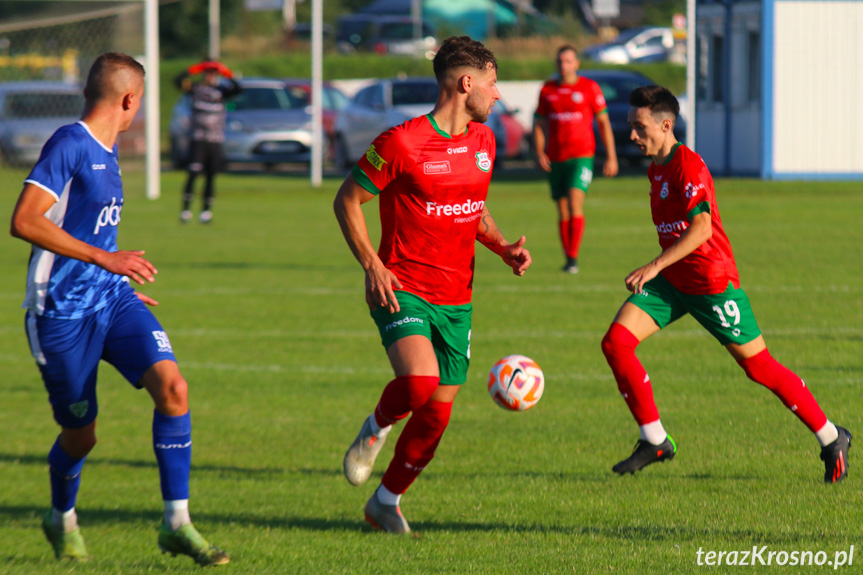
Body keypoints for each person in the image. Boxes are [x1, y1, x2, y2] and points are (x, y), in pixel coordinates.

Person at [9, 52, 229, 565]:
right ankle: (60, 515)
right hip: (60, 312)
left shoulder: (109, 153)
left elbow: (88, 231)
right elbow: (23, 220)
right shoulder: (70, 144)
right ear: (130, 100)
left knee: (173, 388)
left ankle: (177, 523)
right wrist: (105, 258)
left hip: (110, 298)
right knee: (81, 434)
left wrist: (113, 277)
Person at [601, 85, 851, 483]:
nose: (631, 134)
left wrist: (653, 265)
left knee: (759, 368)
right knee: (616, 342)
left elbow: (701, 229)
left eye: (639, 126)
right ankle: (655, 439)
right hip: (673, 282)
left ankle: (831, 436)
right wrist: (662, 270)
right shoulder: (656, 168)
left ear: (666, 125)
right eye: (631, 126)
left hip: (710, 283)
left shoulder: (688, 166)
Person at [333, 36, 532, 534]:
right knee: (419, 382)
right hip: (401, 287)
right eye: (492, 83)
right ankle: (376, 425)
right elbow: (348, 200)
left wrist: (503, 246)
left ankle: (385, 502)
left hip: (457, 297)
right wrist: (372, 265)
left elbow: (470, 208)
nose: (498, 94)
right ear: (467, 84)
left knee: (436, 417)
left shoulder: (484, 142)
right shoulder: (400, 143)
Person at [533, 45, 619, 274]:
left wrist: (611, 156)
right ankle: (568, 258)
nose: (564, 66)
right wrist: (539, 152)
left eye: (568, 61)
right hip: (556, 158)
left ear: (577, 64)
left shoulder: (589, 88)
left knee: (574, 202)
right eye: (560, 61)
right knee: (562, 210)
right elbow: (539, 125)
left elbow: (603, 123)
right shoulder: (547, 89)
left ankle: (573, 258)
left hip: (582, 157)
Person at [174, 59, 241, 224]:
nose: (210, 75)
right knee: (193, 173)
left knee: (211, 176)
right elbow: (177, 80)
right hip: (198, 139)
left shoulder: (221, 90)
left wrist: (226, 71)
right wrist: (196, 68)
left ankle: (206, 212)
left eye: (213, 73)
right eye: (208, 72)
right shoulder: (195, 89)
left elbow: (239, 88)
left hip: (215, 140)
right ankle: (186, 210)